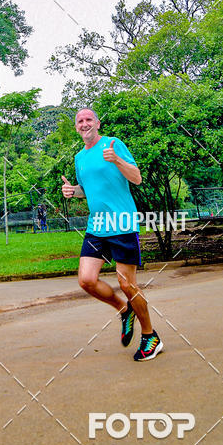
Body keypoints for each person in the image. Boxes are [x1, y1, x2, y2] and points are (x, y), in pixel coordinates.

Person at [61, 107, 163, 362]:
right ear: (77, 127)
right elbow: (89, 189)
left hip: (122, 222)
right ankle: (123, 309)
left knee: (127, 284)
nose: (84, 124)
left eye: (88, 119)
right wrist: (74, 191)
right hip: (97, 226)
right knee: (86, 280)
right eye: (80, 121)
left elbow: (137, 178)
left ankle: (151, 336)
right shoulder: (79, 158)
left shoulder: (114, 144)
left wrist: (117, 159)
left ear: (97, 122)